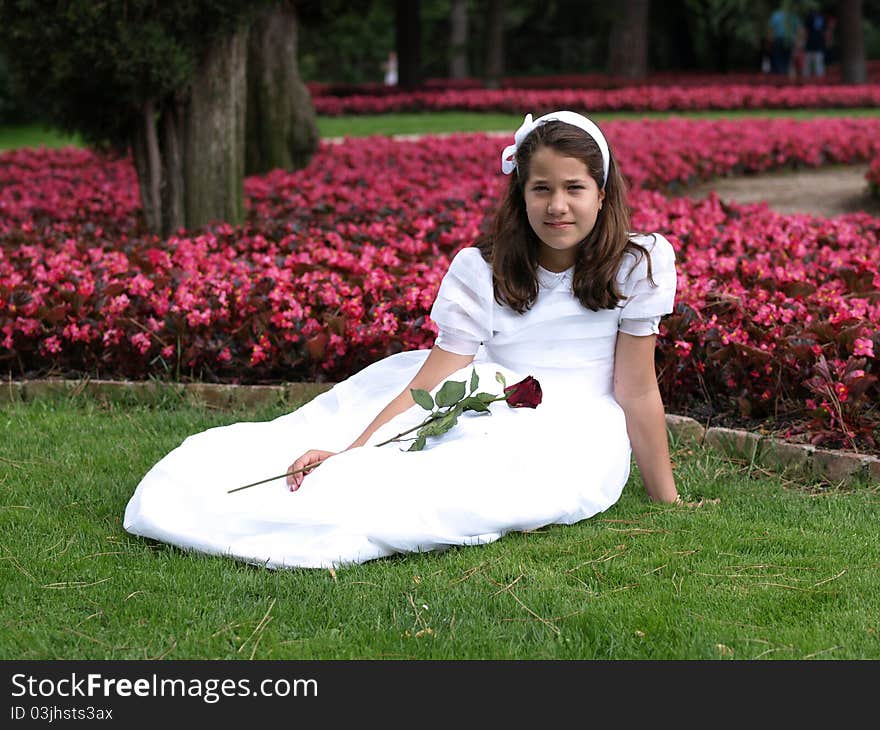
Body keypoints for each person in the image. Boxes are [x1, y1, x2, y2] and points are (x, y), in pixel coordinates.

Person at [124, 111, 680, 569]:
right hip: (486, 395)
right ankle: (344, 473)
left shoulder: (637, 265)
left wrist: (666, 499)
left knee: (493, 487)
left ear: (602, 194)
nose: (557, 206)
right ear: (522, 195)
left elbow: (634, 390)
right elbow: (435, 378)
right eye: (542, 189)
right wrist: (353, 452)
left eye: (573, 189)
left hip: (579, 423)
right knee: (400, 469)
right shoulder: (482, 269)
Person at [767, 4, 799, 77]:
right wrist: (797, 43)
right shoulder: (793, 16)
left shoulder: (776, 15)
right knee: (786, 60)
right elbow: (798, 30)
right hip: (789, 40)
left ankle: (780, 76)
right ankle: (784, 75)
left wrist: (770, 41)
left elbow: (771, 30)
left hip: (778, 40)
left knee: (778, 59)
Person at [802, 6, 829, 80]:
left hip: (811, 43)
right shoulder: (822, 18)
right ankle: (819, 78)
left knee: (808, 62)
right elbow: (825, 32)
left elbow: (805, 32)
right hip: (819, 43)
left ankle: (807, 78)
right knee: (818, 62)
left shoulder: (809, 17)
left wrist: (803, 41)